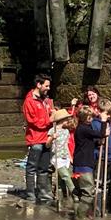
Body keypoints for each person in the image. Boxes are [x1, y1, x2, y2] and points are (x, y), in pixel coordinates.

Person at [22, 74, 55, 203]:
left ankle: (43, 194)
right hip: (35, 139)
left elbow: (46, 117)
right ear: (39, 85)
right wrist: (49, 120)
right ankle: (30, 195)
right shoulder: (29, 101)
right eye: (46, 86)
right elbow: (33, 121)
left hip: (46, 139)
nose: (48, 88)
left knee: (44, 168)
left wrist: (53, 114)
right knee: (31, 168)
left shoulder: (43, 100)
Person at [72, 106, 102, 219]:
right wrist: (103, 121)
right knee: (88, 193)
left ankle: (77, 214)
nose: (92, 119)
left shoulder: (81, 129)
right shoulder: (84, 128)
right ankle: (79, 217)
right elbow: (101, 133)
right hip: (83, 166)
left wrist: (98, 143)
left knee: (79, 192)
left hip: (78, 164)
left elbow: (89, 143)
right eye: (90, 117)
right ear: (84, 118)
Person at [50, 108, 76, 209]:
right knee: (66, 176)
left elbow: (66, 145)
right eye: (66, 119)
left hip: (65, 156)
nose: (67, 121)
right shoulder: (52, 130)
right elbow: (47, 145)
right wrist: (52, 137)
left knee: (61, 180)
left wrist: (70, 157)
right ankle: (75, 194)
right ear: (61, 120)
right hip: (56, 157)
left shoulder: (66, 131)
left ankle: (62, 200)